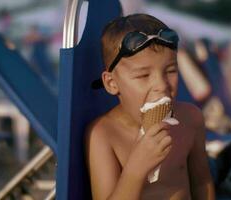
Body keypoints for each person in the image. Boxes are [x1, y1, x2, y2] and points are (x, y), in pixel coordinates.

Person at [85, 14, 215, 200]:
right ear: (112, 83)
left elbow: (202, 182)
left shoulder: (190, 118)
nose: (162, 85)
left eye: (171, 71)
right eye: (143, 76)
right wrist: (136, 169)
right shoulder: (103, 135)